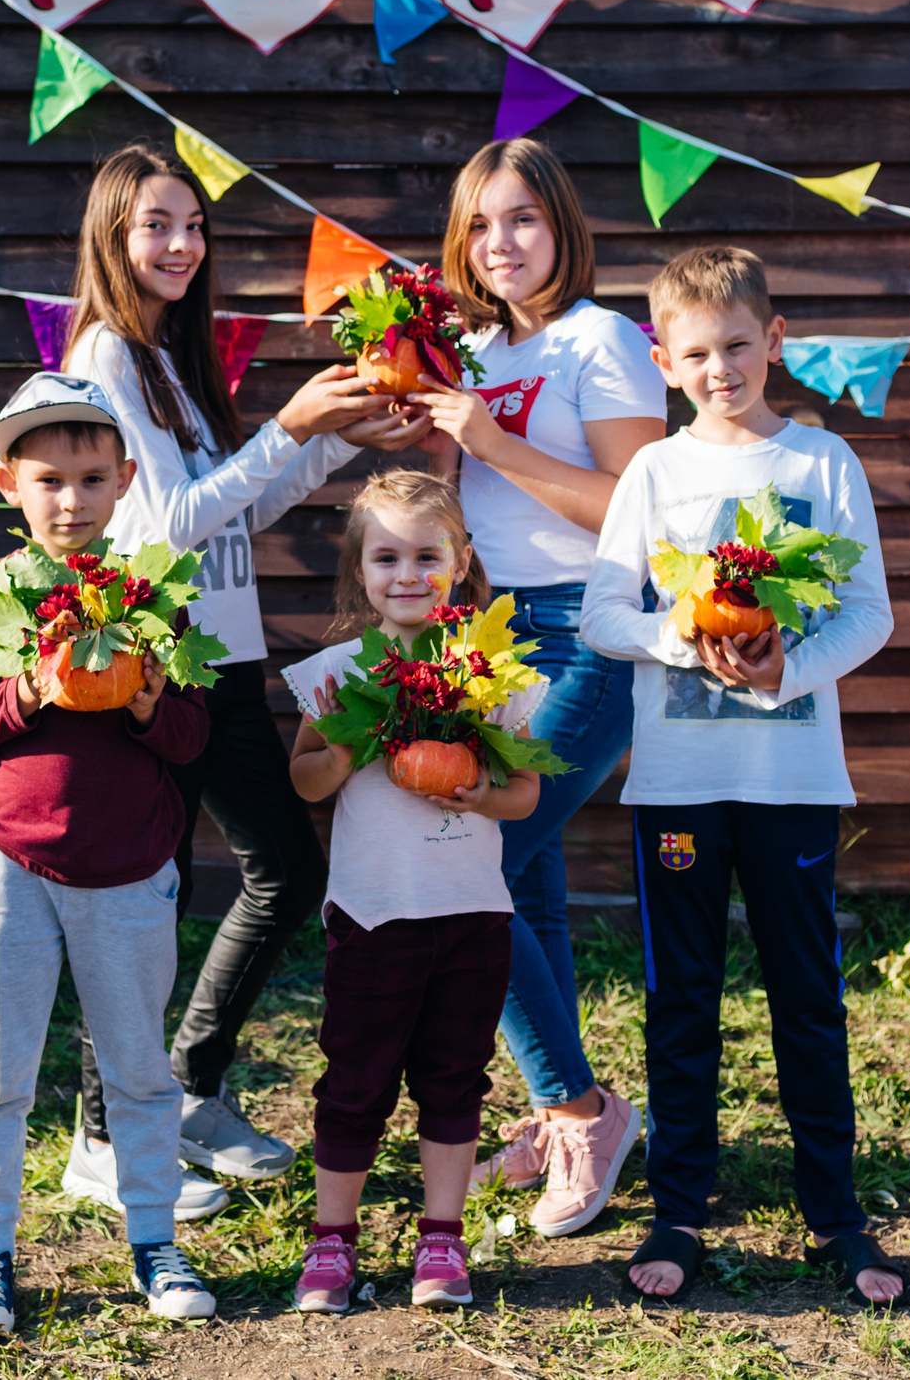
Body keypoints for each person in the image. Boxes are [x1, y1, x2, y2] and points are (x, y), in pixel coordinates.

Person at [62, 144, 426, 1211]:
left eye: (192, 224)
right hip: (159, 663)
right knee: (147, 897)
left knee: (279, 871)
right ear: (112, 237)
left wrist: (330, 441)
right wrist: (289, 426)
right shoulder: (104, 358)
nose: (181, 244)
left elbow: (234, 507)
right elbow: (166, 527)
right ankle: (99, 1137)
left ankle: (185, 1088)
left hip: (220, 654)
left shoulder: (165, 357)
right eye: (156, 224)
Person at [580, 245, 905, 1306]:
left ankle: (835, 1213)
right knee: (681, 994)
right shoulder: (653, 474)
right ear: (666, 362)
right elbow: (603, 612)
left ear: (772, 339)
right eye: (695, 352)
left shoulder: (821, 463)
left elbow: (868, 613)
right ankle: (678, 1202)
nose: (718, 367)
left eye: (735, 344)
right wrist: (682, 639)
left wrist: (785, 672)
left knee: (806, 995)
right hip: (677, 783)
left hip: (792, 779)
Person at [0, 373, 222, 1344]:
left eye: (91, 478)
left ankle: (152, 1236)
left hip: (131, 869)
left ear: (124, 478)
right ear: (9, 481)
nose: (70, 500)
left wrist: (138, 700)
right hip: (10, 869)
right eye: (48, 478)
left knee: (139, 1067)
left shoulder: (148, 597)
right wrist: (32, 689)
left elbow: (189, 734)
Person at [410, 139, 663, 1238]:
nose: (497, 243)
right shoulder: (467, 349)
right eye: (478, 224)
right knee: (530, 887)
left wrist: (498, 443)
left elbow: (635, 510)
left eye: (520, 219)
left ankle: (582, 1109)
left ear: (561, 226)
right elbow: (461, 506)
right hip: (493, 630)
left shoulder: (601, 340)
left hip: (590, 630)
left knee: (477, 863)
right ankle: (560, 1107)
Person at [280, 471, 545, 1313]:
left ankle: (442, 1235)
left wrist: (479, 794)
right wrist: (352, 747)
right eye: (386, 555)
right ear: (360, 570)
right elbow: (307, 781)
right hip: (373, 915)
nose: (407, 573)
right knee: (355, 1079)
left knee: (453, 1079)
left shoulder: (488, 674)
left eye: (427, 555)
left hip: (471, 913)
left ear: (460, 562)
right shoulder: (334, 672)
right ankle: (333, 1240)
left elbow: (526, 794)